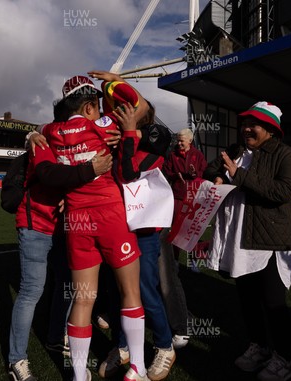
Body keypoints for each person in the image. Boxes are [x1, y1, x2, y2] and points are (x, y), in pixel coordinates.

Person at [40, 72, 150, 381]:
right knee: (130, 292)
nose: (102, 110)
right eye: (98, 105)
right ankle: (137, 369)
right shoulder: (102, 126)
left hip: (76, 221)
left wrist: (31, 136)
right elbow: (138, 106)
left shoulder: (51, 132)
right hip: (111, 216)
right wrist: (112, 82)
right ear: (89, 106)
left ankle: (78, 374)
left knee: (83, 297)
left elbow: (37, 131)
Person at [204, 101, 291, 380]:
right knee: (247, 300)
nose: (246, 128)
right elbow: (211, 169)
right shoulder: (235, 151)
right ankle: (258, 346)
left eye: (254, 124)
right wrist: (220, 176)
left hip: (268, 241)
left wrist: (238, 175)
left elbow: (283, 191)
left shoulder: (286, 155)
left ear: (270, 129)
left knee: (273, 302)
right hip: (238, 237)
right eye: (245, 123)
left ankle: (283, 359)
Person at [8, 134, 113, 381]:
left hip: (64, 228)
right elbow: (50, 175)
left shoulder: (77, 142)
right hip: (36, 225)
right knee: (31, 291)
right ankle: (16, 360)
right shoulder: (45, 139)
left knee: (66, 283)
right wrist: (31, 134)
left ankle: (56, 337)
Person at [98, 101, 176, 381]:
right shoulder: (116, 138)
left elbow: (128, 173)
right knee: (118, 291)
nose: (120, 113)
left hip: (143, 231)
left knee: (144, 290)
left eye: (130, 109)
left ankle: (165, 345)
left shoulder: (156, 141)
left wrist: (131, 133)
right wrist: (34, 133)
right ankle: (122, 346)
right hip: (117, 229)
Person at [160, 127, 206, 346]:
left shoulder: (197, 154)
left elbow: (202, 171)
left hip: (194, 196)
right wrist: (174, 175)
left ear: (190, 141)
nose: (179, 144)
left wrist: (194, 173)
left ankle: (194, 261)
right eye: (177, 141)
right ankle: (176, 262)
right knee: (175, 231)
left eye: (182, 141)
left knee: (193, 231)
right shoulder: (171, 156)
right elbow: (167, 171)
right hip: (178, 196)